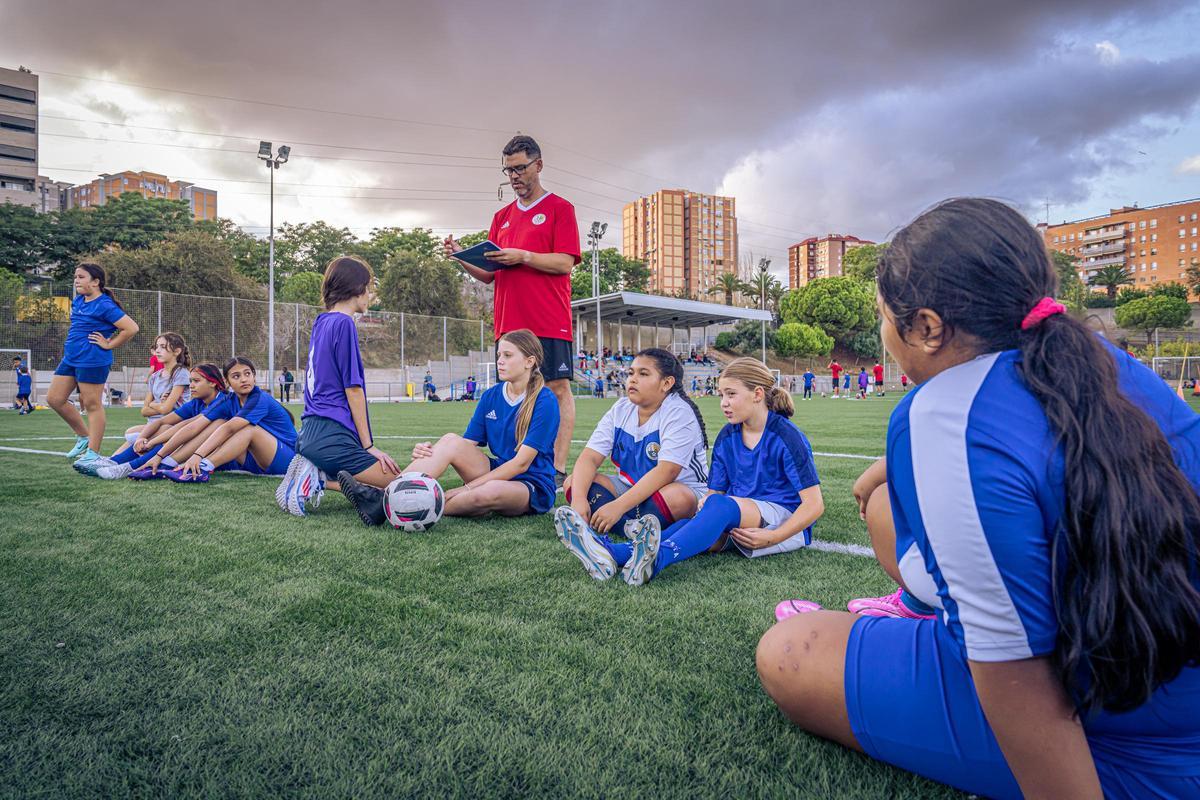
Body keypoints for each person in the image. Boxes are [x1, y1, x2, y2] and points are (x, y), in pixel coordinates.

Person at [756, 198, 1200, 800]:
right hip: (1160, 668)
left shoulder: (943, 410)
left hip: (1127, 740)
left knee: (789, 652)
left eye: (887, 318)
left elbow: (1014, 671)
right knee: (890, 510)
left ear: (929, 327)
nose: (886, 338)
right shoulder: (1108, 366)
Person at [557, 358, 823, 585]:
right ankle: (615, 554)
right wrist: (707, 504)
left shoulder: (786, 435)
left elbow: (814, 505)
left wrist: (774, 536)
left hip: (781, 520)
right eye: (721, 395)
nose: (724, 403)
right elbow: (715, 492)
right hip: (740, 516)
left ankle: (655, 560)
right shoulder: (728, 436)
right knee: (691, 522)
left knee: (719, 505)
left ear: (757, 394)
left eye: (731, 394)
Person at [444, 135, 581, 487]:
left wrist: (524, 256)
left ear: (539, 164)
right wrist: (463, 257)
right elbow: (489, 276)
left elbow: (565, 262)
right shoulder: (501, 217)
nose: (515, 176)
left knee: (556, 388)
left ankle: (557, 468)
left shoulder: (559, 209)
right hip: (509, 323)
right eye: (509, 171)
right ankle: (514, 464)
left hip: (548, 319)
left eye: (520, 168)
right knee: (513, 393)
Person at [554, 348, 709, 579]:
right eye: (630, 372)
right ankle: (634, 530)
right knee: (573, 483)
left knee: (679, 497)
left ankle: (614, 528)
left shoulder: (679, 411)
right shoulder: (621, 408)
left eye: (643, 374)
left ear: (666, 383)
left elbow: (667, 472)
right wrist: (578, 501)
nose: (632, 379)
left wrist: (617, 507)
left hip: (671, 493)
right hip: (633, 491)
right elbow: (589, 457)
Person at [274, 256, 402, 518]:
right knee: (403, 484)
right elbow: (353, 389)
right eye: (368, 288)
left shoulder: (322, 322)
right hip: (330, 434)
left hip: (312, 430)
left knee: (378, 485)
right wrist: (368, 446)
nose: (370, 295)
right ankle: (317, 477)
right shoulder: (344, 323)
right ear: (357, 288)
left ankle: (319, 473)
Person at [389, 329, 559, 522]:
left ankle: (417, 507)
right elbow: (464, 445)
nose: (500, 361)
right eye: (499, 355)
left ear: (529, 361)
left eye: (508, 355)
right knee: (451, 440)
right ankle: (385, 497)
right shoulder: (490, 395)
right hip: (498, 469)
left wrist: (467, 487)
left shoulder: (545, 400)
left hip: (531, 484)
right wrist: (430, 451)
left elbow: (521, 464)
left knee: (488, 491)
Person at [47, 263, 139, 469]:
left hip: (92, 359)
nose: (76, 280)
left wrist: (109, 344)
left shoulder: (105, 305)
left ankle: (93, 454)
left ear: (95, 282)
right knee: (54, 399)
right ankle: (83, 437)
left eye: (81, 277)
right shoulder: (79, 300)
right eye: (75, 277)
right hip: (71, 358)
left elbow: (131, 328)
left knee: (92, 405)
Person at [163, 357, 297, 482]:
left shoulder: (260, 398)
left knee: (249, 429)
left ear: (254, 377)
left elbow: (229, 428)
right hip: (254, 462)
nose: (244, 379)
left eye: (247, 374)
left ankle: (203, 467)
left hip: (286, 461)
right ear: (227, 382)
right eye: (236, 376)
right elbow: (195, 426)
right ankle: (169, 463)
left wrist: (198, 455)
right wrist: (159, 456)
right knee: (219, 422)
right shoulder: (229, 400)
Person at [76, 332, 192, 476]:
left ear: (177, 351)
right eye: (156, 347)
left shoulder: (181, 373)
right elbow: (144, 410)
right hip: (153, 426)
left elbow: (167, 409)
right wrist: (159, 404)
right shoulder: (155, 376)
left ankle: (117, 464)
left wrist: (157, 406)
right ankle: (111, 462)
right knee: (132, 434)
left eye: (163, 347)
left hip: (173, 426)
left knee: (139, 434)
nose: (157, 350)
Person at [94, 363, 232, 480]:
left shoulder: (222, 400)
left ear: (213, 383)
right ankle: (116, 461)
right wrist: (142, 438)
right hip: (194, 446)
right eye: (190, 381)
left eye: (196, 381)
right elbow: (162, 421)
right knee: (161, 428)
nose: (191, 386)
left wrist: (151, 442)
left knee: (180, 430)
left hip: (219, 454)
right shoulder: (197, 402)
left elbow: (189, 426)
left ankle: (130, 465)